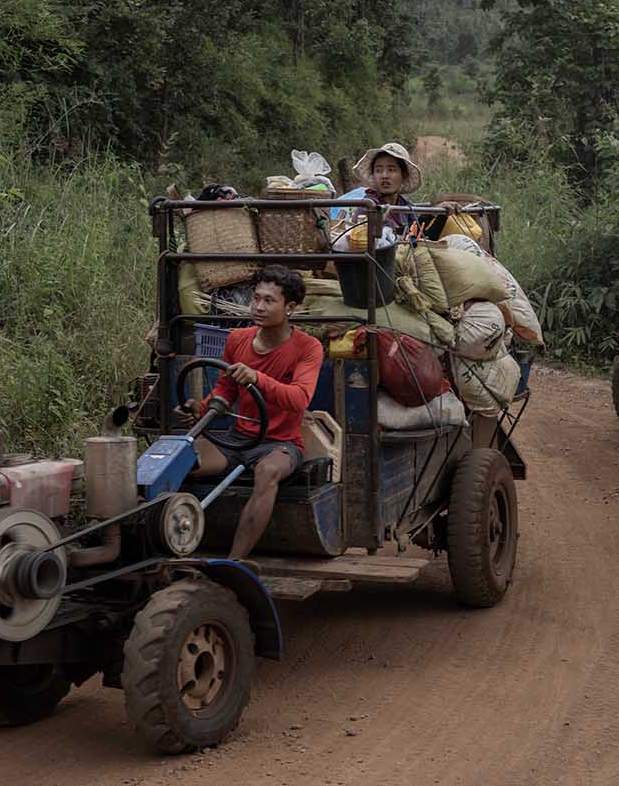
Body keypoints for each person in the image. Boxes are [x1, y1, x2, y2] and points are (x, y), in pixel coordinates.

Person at [187, 265, 324, 560]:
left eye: (269, 301)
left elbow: (300, 399)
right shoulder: (237, 339)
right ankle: (171, 541)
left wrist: (257, 378)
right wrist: (200, 409)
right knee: (180, 459)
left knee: (267, 472)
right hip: (238, 440)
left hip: (281, 445)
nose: (259, 307)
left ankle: (234, 562)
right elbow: (225, 390)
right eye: (256, 298)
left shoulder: (308, 348)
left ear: (290, 307)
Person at [348, 142, 460, 238]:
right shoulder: (368, 206)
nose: (384, 176)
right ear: (373, 175)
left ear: (404, 175)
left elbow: (421, 238)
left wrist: (442, 214)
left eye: (391, 170)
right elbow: (394, 235)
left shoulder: (405, 205)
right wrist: (430, 213)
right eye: (378, 170)